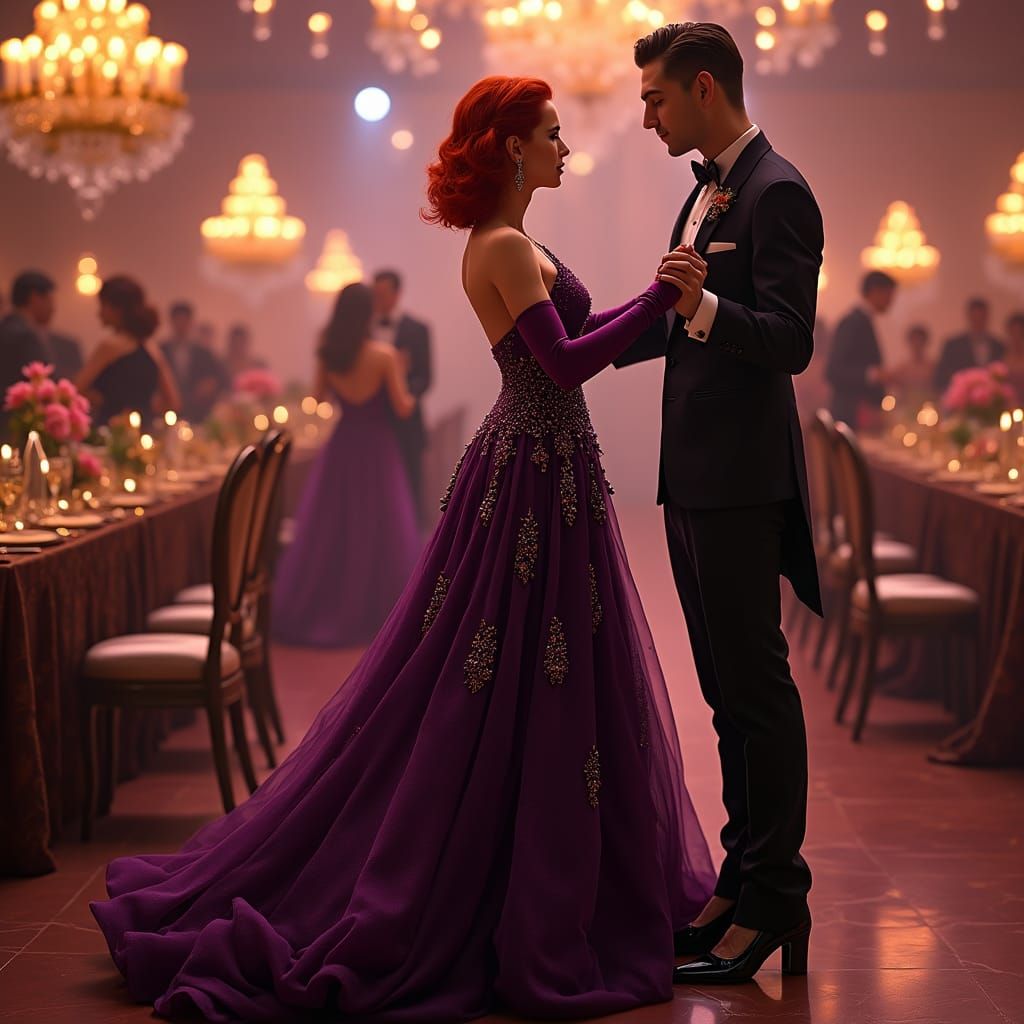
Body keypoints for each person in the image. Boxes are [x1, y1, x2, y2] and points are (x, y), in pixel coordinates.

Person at [91, 75, 716, 1021]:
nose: (566, 147)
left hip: (550, 467)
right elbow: (563, 364)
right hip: (531, 473)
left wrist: (664, 309)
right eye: (552, 134)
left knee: (540, 670)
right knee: (498, 673)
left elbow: (582, 335)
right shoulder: (501, 245)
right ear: (512, 147)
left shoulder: (520, 241)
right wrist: (660, 298)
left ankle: (553, 875)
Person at [615, 22, 821, 984]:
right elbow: (677, 319)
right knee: (724, 695)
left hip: (742, 482)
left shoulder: (779, 191)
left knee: (758, 694)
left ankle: (778, 898)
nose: (646, 117)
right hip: (694, 478)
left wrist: (698, 306)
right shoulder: (703, 189)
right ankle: (740, 884)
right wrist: (574, 341)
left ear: (704, 88)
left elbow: (788, 340)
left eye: (655, 98)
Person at [271, 283, 423, 647]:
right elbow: (403, 408)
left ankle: (327, 606)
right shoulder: (384, 356)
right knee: (379, 526)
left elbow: (317, 398)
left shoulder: (330, 354)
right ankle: (380, 614)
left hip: (342, 446)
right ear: (368, 313)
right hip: (377, 448)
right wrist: (405, 376)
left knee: (334, 528)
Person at [371, 269, 433, 525]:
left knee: (409, 488)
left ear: (397, 294)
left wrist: (401, 388)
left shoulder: (418, 329)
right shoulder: (363, 329)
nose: (378, 299)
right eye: (375, 294)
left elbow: (425, 379)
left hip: (407, 424)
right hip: (372, 422)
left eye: (383, 294)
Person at [76, 276, 180, 426]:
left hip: (110, 430)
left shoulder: (110, 346)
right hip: (143, 431)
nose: (99, 313)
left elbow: (75, 389)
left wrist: (98, 399)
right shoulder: (152, 349)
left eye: (103, 306)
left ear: (118, 309)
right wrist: (144, 408)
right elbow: (173, 402)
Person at [825, 270, 896, 428]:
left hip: (859, 415)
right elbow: (833, 370)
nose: (891, 301)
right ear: (875, 291)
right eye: (889, 294)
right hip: (851, 414)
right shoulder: (853, 322)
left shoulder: (864, 321)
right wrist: (874, 374)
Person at [0, 271, 83, 405]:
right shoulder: (25, 336)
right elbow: (46, 382)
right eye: (50, 300)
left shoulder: (5, 328)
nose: (53, 308)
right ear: (35, 298)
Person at [159, 301, 231, 422]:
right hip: (166, 411)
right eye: (178, 320)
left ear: (191, 322)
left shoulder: (204, 354)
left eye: (184, 321)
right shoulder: (161, 351)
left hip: (197, 414)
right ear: (171, 321)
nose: (181, 325)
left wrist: (210, 385)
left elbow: (220, 379)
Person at [934, 296, 1006, 395]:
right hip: (961, 399)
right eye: (975, 317)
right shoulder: (953, 345)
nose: (978, 321)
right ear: (968, 317)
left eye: (981, 317)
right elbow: (942, 376)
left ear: (987, 317)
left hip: (993, 399)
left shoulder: (999, 345)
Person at [886, 323, 936, 409]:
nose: (917, 344)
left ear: (925, 342)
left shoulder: (933, 367)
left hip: (929, 409)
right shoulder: (902, 368)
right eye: (914, 340)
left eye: (920, 340)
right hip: (907, 409)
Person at [1004, 312, 1024, 398]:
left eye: (1019, 332)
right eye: (1013, 332)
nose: (1016, 336)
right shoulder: (1002, 354)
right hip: (1007, 402)